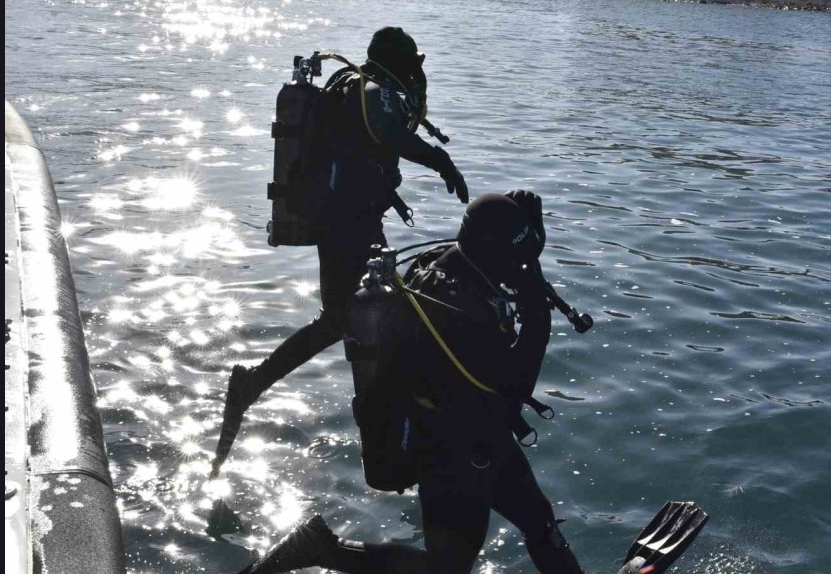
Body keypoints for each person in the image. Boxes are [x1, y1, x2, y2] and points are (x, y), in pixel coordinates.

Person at [238, 191, 584, 574]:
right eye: (515, 259)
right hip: (451, 454)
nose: (520, 269)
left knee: (540, 524)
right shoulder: (463, 312)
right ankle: (322, 549)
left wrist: (528, 234)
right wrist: (539, 318)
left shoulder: (446, 265)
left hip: (482, 437)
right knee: (446, 568)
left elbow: (506, 255)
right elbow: (514, 387)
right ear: (495, 253)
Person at [211, 27, 469, 478]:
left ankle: (264, 386)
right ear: (399, 63)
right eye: (413, 63)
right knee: (369, 314)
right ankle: (385, 424)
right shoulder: (369, 89)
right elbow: (387, 133)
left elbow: (367, 148)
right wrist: (439, 159)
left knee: (361, 315)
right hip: (345, 225)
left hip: (351, 220)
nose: (417, 73)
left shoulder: (352, 88)